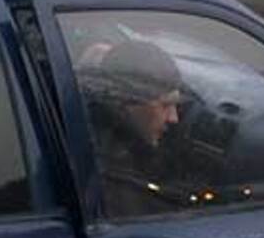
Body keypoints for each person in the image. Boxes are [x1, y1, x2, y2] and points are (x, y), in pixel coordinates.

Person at [81, 38, 189, 216]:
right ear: (127, 102)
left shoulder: (93, 135)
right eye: (165, 105)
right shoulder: (111, 176)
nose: (174, 118)